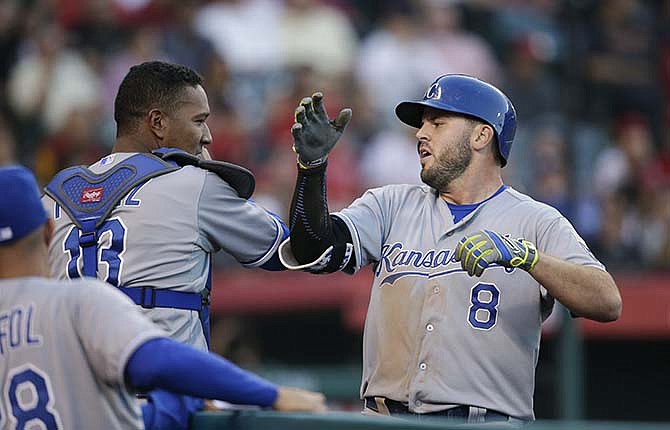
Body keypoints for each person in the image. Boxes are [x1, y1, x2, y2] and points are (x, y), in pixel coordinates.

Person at [279, 74, 622, 424]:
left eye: (438, 123)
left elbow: (607, 302)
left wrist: (526, 257)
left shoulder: (536, 221)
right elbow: (313, 250)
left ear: (481, 135)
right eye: (423, 124)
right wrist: (312, 170)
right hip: (384, 419)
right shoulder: (391, 204)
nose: (421, 134)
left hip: (483, 421)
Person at [0, 165, 326, 429]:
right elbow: (156, 361)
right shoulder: (76, 300)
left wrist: (180, 405)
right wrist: (269, 394)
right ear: (46, 231)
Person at [42, 61, 288, 350]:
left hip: (74, 384)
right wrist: (312, 170)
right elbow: (284, 250)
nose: (207, 135)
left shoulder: (51, 198)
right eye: (198, 121)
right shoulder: (193, 183)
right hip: (163, 383)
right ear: (157, 122)